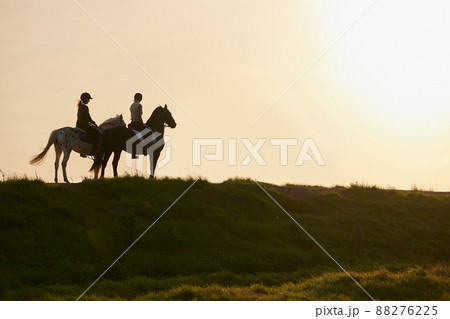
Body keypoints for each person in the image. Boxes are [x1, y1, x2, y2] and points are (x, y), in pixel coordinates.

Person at [76, 92, 101, 157]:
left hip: (78, 125)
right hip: (84, 126)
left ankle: (82, 152)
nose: (89, 101)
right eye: (88, 99)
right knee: (98, 135)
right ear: (85, 99)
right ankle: (94, 150)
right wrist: (93, 122)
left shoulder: (80, 106)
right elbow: (88, 117)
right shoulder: (85, 107)